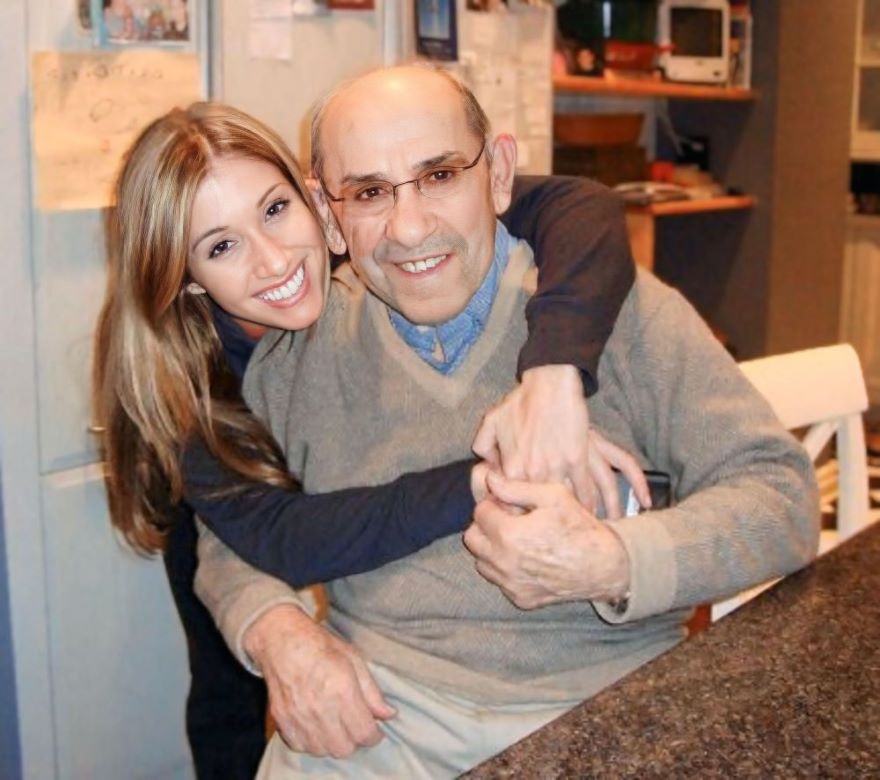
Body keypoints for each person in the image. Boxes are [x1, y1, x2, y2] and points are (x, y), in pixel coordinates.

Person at [194, 64, 820, 778]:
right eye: (368, 192)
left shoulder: (622, 312)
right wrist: (280, 635)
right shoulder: (296, 354)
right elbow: (233, 534)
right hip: (380, 726)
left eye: (439, 176)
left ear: (497, 175)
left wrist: (612, 563)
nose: (408, 226)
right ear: (329, 213)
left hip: (609, 711)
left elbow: (782, 497)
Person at [92, 102, 644, 778]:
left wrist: (553, 380)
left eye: (274, 210)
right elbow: (286, 541)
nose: (273, 261)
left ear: (317, 199)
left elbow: (578, 204)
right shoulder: (194, 398)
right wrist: (490, 470)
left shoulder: (380, 232)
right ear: (183, 279)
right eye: (220, 246)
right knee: (229, 691)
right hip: (238, 493)